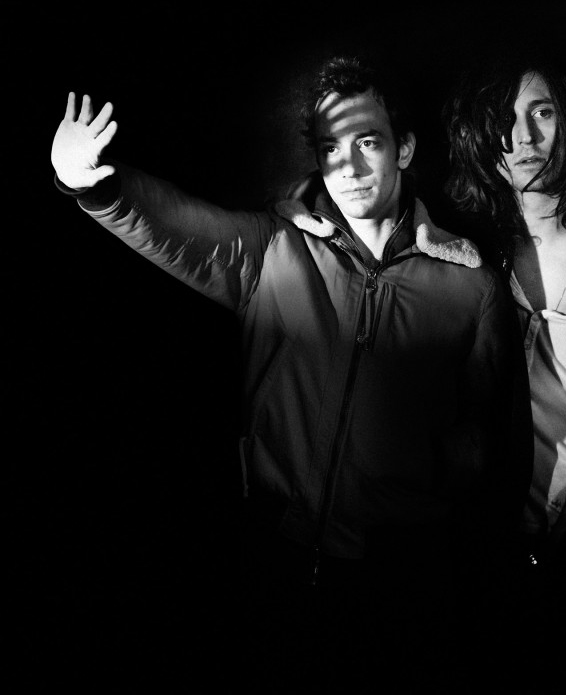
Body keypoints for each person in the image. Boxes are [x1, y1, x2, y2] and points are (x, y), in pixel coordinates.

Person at [50, 56, 521, 690]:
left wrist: (425, 498)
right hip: (276, 556)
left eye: (367, 142)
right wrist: (91, 184)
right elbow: (182, 229)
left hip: (396, 578)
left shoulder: (470, 287)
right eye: (330, 148)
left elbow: (488, 437)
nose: (349, 167)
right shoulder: (276, 248)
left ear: (404, 149)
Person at [444, 58, 566, 688]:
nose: (523, 137)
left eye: (542, 113)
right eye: (504, 119)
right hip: (493, 538)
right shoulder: (464, 252)